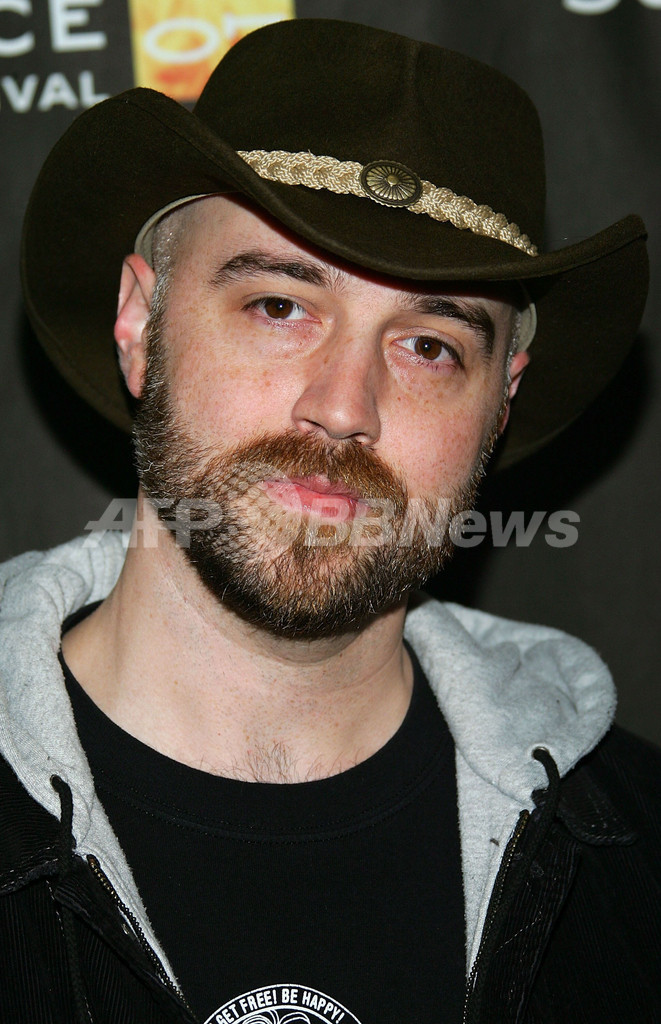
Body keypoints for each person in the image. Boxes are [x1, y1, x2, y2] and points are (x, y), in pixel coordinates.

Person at [1, 16, 659, 1024]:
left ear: (502, 401)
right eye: (279, 306)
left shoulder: (636, 860)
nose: (344, 406)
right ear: (139, 323)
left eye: (430, 346)